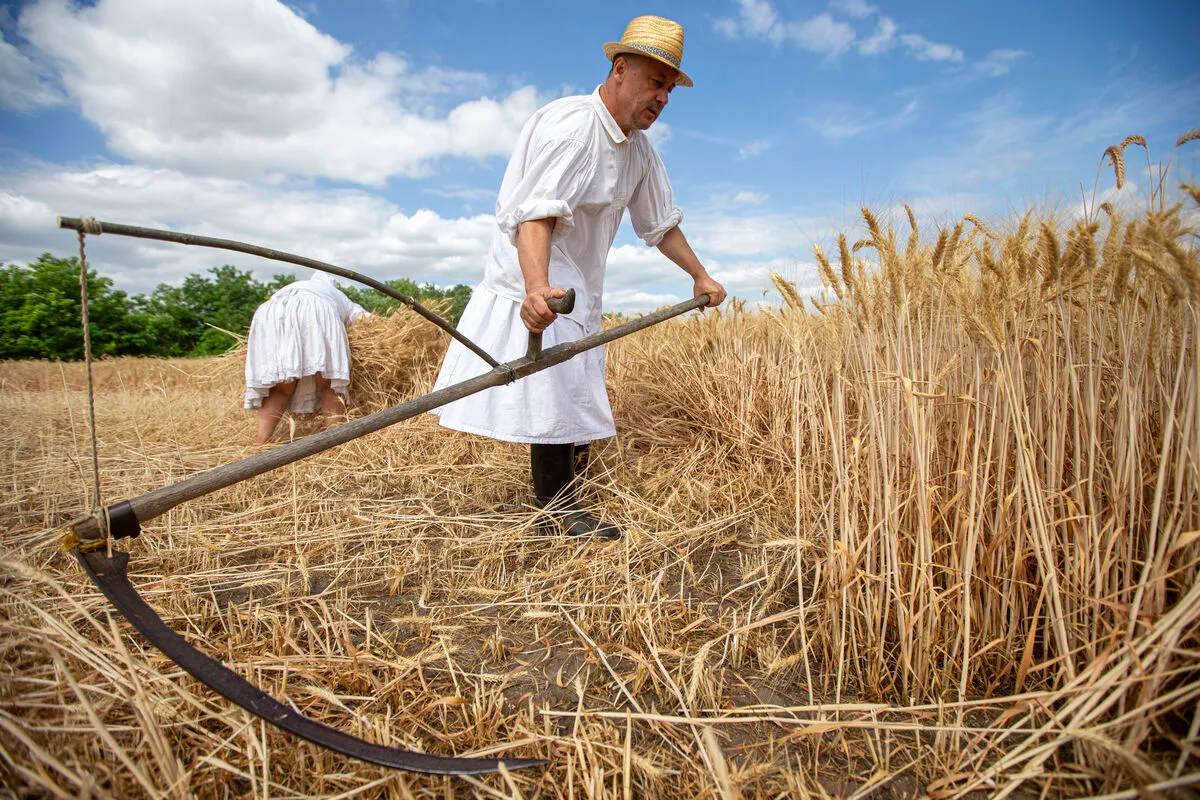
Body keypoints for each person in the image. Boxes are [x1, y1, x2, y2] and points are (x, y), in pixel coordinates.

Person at [431, 14, 727, 540]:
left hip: (579, 281)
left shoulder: (639, 151)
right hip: (537, 270)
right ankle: (556, 512)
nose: (662, 97)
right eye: (654, 82)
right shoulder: (575, 128)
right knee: (558, 383)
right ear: (620, 69)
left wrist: (701, 276)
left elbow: (659, 225)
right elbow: (536, 216)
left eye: (668, 87)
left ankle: (570, 493)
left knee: (574, 379)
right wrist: (535, 287)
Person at [244, 271, 369, 444]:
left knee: (281, 388)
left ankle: (259, 446)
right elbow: (367, 321)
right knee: (330, 384)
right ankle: (336, 445)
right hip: (315, 310)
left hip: (271, 313)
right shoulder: (337, 295)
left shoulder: (294, 287)